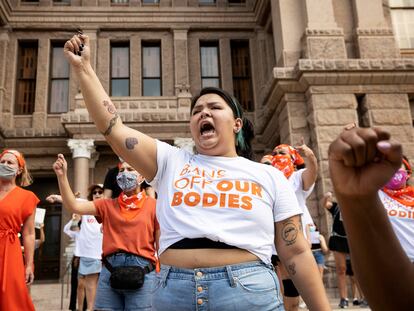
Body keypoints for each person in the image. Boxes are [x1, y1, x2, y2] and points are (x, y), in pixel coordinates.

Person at [62, 32, 330, 310]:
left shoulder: (269, 175)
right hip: (172, 293)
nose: (204, 113)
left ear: (237, 124)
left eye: (215, 107)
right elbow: (113, 127)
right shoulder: (170, 161)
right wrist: (83, 69)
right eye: (197, 110)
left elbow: (296, 253)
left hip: (247, 293)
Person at [53, 154, 158, 311]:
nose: (124, 173)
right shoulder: (106, 205)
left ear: (142, 177)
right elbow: (74, 206)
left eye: (130, 169)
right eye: (121, 171)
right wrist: (62, 176)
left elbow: (160, 243)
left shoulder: (154, 205)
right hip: (110, 270)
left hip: (143, 271)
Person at [328, 125, 414, 310]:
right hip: (395, 264)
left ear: (408, 173)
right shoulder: (376, 194)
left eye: (402, 169)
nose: (398, 172)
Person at [261, 142, 318, 311]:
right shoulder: (266, 176)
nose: (278, 154)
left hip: (293, 239)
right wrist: (263, 167)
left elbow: (312, 174)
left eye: (283, 152)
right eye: (275, 152)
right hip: (270, 241)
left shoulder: (298, 177)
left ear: (293, 159)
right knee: (276, 291)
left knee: (293, 290)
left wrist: (311, 157)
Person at [47, 184, 104, 311]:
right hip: (84, 256)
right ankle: (80, 309)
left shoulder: (108, 208)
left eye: (100, 192)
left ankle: (90, 308)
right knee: (81, 286)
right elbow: (72, 201)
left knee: (93, 287)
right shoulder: (87, 207)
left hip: (98, 256)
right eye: (95, 192)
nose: (97, 194)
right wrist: (56, 197)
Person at [0, 149, 39, 311]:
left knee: (12, 297)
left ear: (19, 170)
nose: (5, 165)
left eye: (10, 163)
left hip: (10, 250)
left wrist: (29, 264)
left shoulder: (27, 197)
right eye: (2, 162)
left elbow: (29, 234)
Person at [322, 191, 352, 308]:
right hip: (338, 239)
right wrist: (326, 197)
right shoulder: (336, 206)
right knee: (341, 269)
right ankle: (343, 298)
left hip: (352, 240)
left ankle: (363, 297)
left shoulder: (355, 205)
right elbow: (325, 204)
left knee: (357, 271)